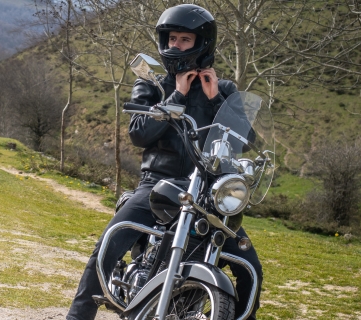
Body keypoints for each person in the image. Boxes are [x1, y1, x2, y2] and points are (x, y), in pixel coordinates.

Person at [66, 4, 263, 320]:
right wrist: (178, 95)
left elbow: (245, 140)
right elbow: (139, 133)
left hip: (207, 191)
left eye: (184, 39)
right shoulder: (153, 83)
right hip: (158, 183)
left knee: (250, 267)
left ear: (202, 43)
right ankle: (78, 316)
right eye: (172, 38)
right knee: (110, 241)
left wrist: (214, 99)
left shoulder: (223, 89)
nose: (176, 46)